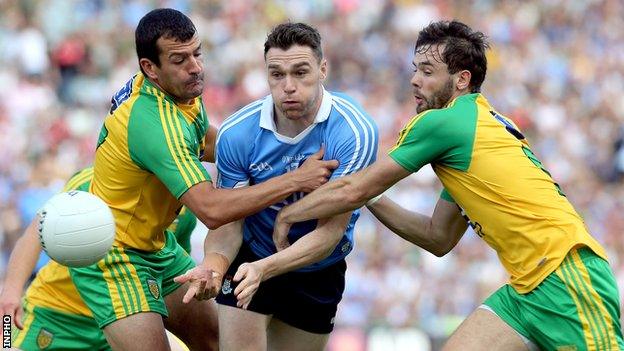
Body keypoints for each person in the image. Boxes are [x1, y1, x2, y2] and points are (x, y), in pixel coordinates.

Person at [272, 20, 624, 350]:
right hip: (526, 290)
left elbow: (352, 190)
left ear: (460, 80)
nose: (414, 80)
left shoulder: (444, 123)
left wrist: (290, 213)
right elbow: (437, 237)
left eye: (427, 72)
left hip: (566, 278)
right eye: (415, 70)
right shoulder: (472, 133)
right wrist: (372, 197)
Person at [66, 9, 337, 351]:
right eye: (180, 59)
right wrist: (295, 178)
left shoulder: (177, 92)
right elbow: (211, 209)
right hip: (115, 255)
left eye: (197, 53)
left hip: (155, 245)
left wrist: (269, 154)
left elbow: (209, 143)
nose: (195, 67)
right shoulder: (154, 123)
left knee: (217, 343)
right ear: (150, 68)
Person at [175, 22, 378, 351]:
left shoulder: (353, 131)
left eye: (300, 72)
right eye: (277, 74)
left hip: (317, 267)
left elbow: (330, 232)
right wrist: (213, 266)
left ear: (323, 69)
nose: (288, 87)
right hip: (251, 255)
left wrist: (264, 269)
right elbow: (230, 221)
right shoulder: (238, 132)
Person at [0, 167, 196, 350]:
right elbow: (34, 235)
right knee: (6, 344)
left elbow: (172, 277)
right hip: (54, 313)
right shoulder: (89, 183)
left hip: (121, 319)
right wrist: (10, 292)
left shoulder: (183, 208)